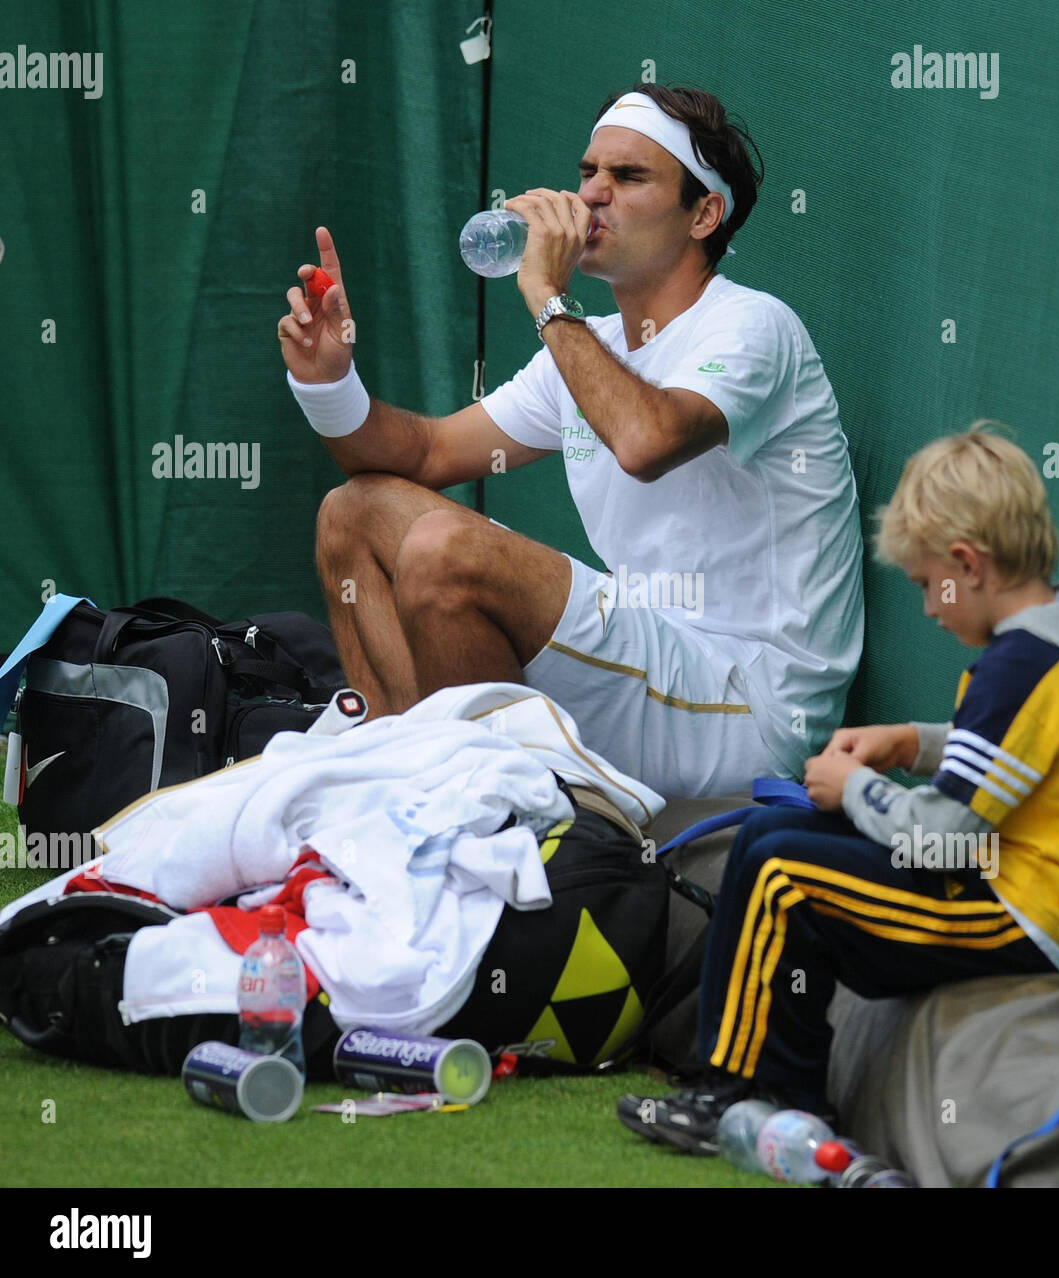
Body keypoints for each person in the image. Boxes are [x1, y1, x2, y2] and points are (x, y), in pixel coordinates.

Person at [277, 83, 863, 799]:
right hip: (647, 668)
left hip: (751, 708)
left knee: (443, 551)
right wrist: (330, 383)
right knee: (353, 511)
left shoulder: (754, 326)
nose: (592, 196)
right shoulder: (594, 344)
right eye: (589, 173)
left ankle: (498, 821)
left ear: (704, 213)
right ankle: (402, 780)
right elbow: (425, 455)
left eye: (629, 176)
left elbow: (646, 441)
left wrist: (546, 296)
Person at [618, 423, 1059, 1153]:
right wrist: (911, 742)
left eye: (925, 584)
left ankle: (748, 1091)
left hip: (1027, 914)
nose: (930, 610)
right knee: (767, 835)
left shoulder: (1020, 666)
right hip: (1025, 884)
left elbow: (940, 838)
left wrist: (854, 787)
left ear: (966, 563)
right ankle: (784, 1088)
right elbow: (1021, 753)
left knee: (782, 871)